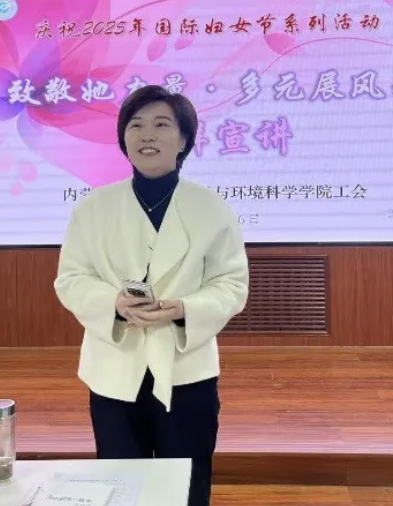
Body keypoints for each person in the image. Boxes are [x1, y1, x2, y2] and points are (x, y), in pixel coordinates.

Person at [54, 85, 249, 506]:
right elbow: (71, 278)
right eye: (136, 125)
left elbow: (232, 283)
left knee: (188, 485)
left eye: (162, 125)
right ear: (123, 138)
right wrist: (113, 303)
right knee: (122, 485)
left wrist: (185, 309)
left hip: (187, 371)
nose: (147, 135)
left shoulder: (211, 208)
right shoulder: (93, 208)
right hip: (114, 368)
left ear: (183, 140)